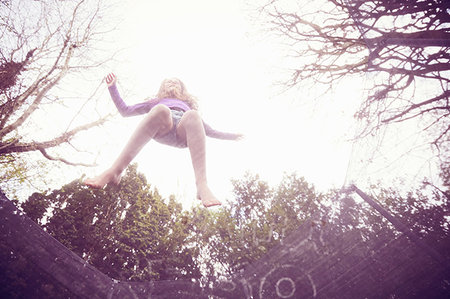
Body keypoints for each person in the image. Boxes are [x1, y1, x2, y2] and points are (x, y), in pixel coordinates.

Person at [84, 73, 242, 207]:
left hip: (183, 132)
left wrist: (233, 136)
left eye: (176, 82)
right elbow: (125, 111)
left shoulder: (187, 107)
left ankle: (202, 184)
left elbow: (210, 131)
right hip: (162, 126)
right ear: (162, 88)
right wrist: (112, 87)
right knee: (161, 110)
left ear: (182, 90)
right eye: (168, 81)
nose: (172, 83)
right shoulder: (155, 103)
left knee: (194, 116)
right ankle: (114, 171)